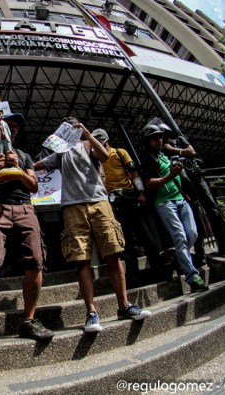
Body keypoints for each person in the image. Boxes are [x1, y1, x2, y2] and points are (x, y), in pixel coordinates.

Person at [34, 118, 151, 336]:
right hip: (72, 207)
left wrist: (87, 133)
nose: (70, 131)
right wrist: (20, 165)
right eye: (66, 128)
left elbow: (105, 156)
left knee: (113, 254)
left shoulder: (90, 145)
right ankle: (91, 312)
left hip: (99, 202)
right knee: (81, 260)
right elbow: (38, 166)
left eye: (73, 127)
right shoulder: (59, 153)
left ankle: (124, 305)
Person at [0, 112, 54, 363]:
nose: (11, 130)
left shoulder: (24, 155)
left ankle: (28, 320)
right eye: (7, 125)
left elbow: (34, 186)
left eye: (15, 127)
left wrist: (17, 168)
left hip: (25, 208)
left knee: (36, 261)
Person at [149, 118, 225, 268]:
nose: (160, 137)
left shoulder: (178, 140)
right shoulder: (159, 151)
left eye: (162, 134)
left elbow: (192, 152)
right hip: (183, 184)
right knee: (195, 218)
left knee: (213, 211)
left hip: (196, 177)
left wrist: (172, 149)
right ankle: (201, 256)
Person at [91, 128, 167, 286]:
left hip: (130, 197)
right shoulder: (95, 158)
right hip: (113, 202)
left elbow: (133, 173)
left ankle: (159, 269)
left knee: (144, 234)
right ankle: (133, 276)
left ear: (106, 141)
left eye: (101, 143)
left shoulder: (119, 152)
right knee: (124, 240)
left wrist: (141, 192)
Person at [139, 124, 208, 293]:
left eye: (160, 137)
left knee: (193, 233)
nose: (159, 140)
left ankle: (178, 259)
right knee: (180, 237)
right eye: (155, 138)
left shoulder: (164, 155)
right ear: (148, 141)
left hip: (181, 199)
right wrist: (170, 175)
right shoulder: (147, 159)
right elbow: (149, 183)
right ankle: (192, 277)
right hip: (164, 202)